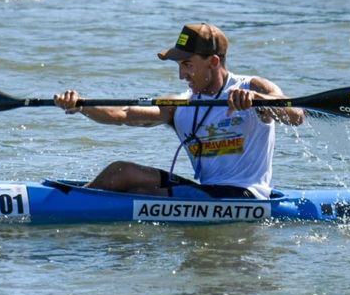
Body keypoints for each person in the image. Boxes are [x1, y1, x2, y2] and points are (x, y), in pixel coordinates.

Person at [54, 23, 305, 199]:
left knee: (142, 194)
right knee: (121, 172)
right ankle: (69, 200)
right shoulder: (181, 105)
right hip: (207, 193)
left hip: (245, 195)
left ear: (213, 62)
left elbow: (297, 116)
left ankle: (66, 207)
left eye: (187, 65)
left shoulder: (251, 87)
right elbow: (125, 114)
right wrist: (81, 105)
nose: (181, 74)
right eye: (179, 65)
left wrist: (260, 101)